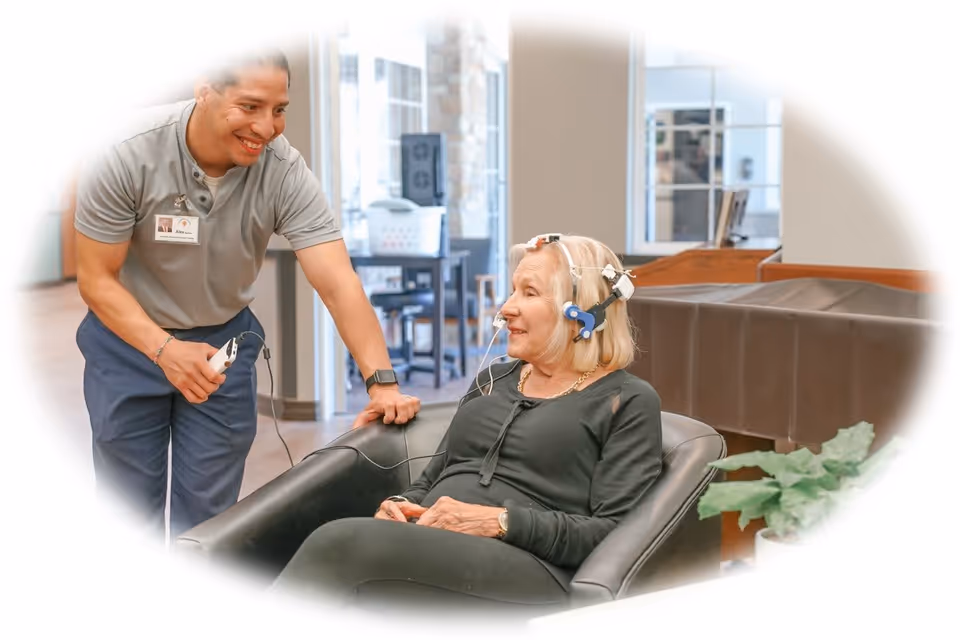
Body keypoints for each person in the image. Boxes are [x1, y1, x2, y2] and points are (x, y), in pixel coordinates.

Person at [73, 49, 420, 539]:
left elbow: (338, 281)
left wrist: (381, 382)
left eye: (279, 109)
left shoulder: (282, 170)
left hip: (222, 348)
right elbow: (96, 279)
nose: (266, 127)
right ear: (204, 89)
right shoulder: (125, 151)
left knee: (210, 518)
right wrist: (164, 349)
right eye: (250, 106)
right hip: (127, 344)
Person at [269, 234, 664, 616]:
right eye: (512, 291)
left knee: (339, 542)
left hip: (532, 566)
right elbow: (436, 474)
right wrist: (402, 505)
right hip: (440, 545)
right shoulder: (494, 379)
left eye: (529, 293)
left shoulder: (626, 400)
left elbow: (616, 533)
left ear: (585, 311)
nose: (506, 308)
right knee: (312, 540)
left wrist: (499, 521)